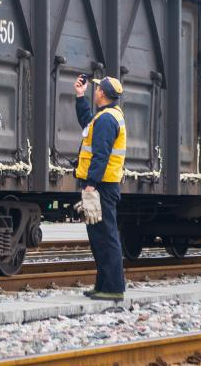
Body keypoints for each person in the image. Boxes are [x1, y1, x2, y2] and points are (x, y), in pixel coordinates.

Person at [73, 74, 126, 301]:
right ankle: (103, 285)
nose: (95, 92)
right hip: (102, 185)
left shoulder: (107, 120)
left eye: (96, 90)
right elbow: (87, 123)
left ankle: (114, 288)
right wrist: (80, 96)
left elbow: (101, 156)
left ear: (102, 93)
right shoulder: (105, 117)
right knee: (99, 236)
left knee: (106, 236)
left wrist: (91, 186)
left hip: (102, 186)